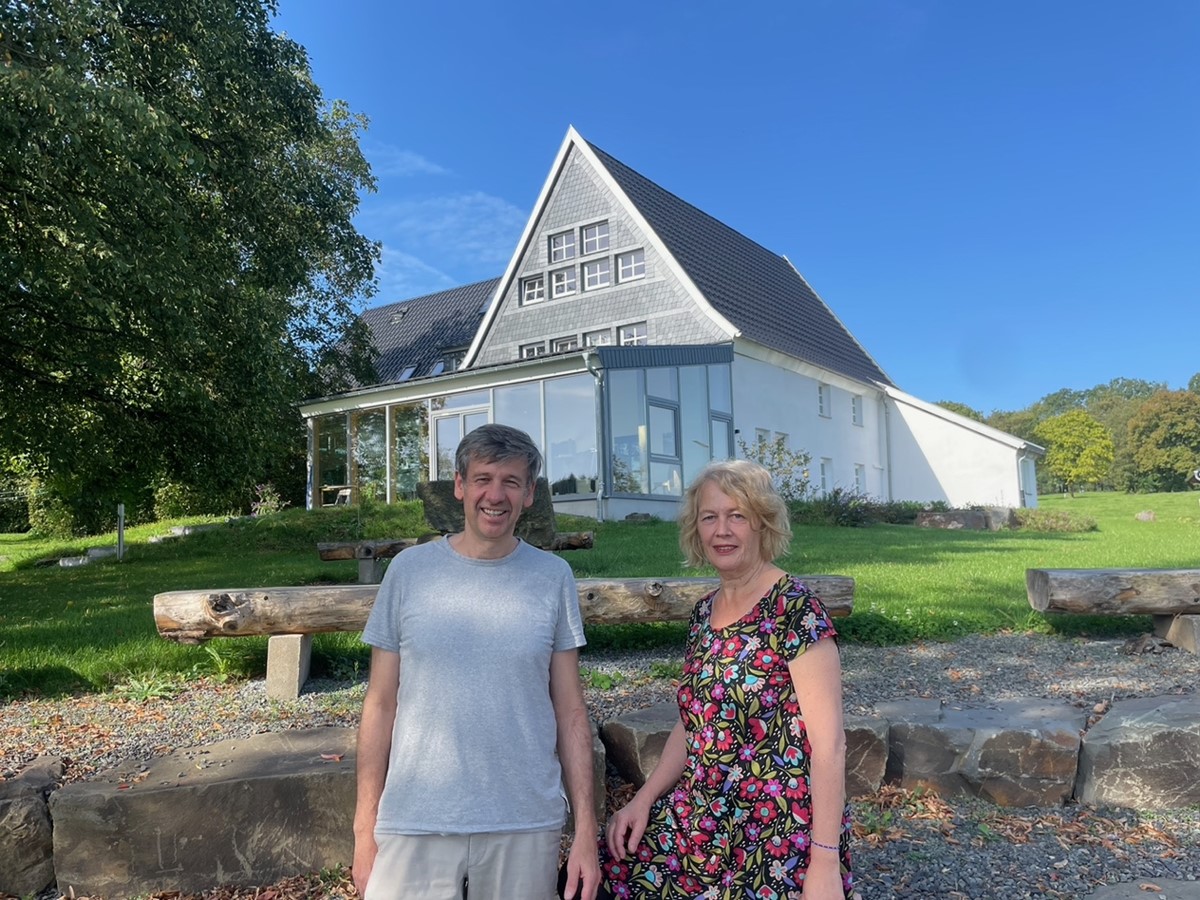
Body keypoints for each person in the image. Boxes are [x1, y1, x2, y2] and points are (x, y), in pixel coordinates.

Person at [353, 423, 600, 900]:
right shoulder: (409, 572)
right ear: (460, 486)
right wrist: (365, 827)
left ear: (529, 493)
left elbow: (571, 711)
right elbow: (380, 704)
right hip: (415, 816)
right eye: (483, 478)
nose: (496, 494)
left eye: (511, 481)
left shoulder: (553, 577)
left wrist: (586, 829)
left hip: (525, 819)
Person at [600, 459, 854, 899]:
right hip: (701, 817)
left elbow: (829, 745)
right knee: (598, 876)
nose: (722, 530)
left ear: (762, 524)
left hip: (776, 828)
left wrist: (825, 860)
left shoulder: (794, 609)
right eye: (710, 517)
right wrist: (643, 799)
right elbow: (695, 720)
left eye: (737, 515)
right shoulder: (704, 612)